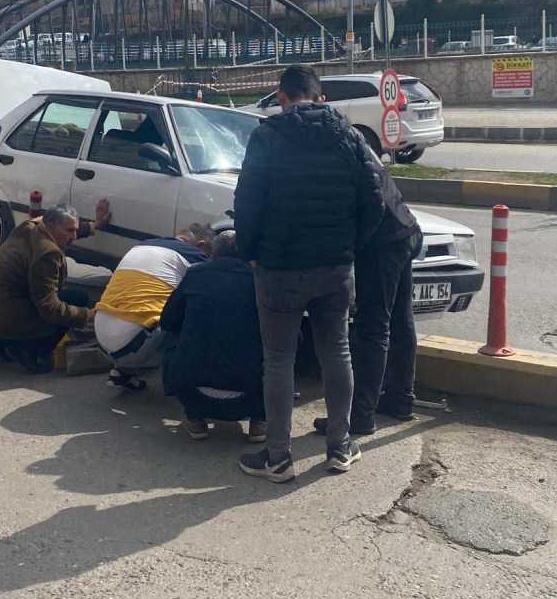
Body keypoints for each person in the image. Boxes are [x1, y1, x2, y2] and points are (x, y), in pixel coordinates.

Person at [233, 63, 383, 482]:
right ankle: (340, 446)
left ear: (281, 96)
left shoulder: (267, 136)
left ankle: (278, 457)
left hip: (279, 267)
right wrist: (350, 246)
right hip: (335, 266)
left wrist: (250, 251)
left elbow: (247, 200)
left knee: (279, 360)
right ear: (321, 98)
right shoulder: (349, 136)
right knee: (337, 352)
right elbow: (374, 200)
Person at [314, 160, 423, 437]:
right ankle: (400, 398)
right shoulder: (354, 144)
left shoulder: (330, 152)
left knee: (372, 327)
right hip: (405, 227)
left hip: (382, 241)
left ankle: (360, 416)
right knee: (399, 320)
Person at [0, 201, 110, 373]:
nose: (74, 236)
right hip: (10, 319)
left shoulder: (31, 227)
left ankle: (0, 342)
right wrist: (87, 315)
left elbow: (66, 227)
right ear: (51, 227)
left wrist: (93, 226)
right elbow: (49, 307)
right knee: (76, 299)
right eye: (70, 231)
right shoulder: (47, 253)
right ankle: (30, 351)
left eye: (75, 230)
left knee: (57, 298)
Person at [159, 230, 265, 443]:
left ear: (212, 253)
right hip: (250, 395)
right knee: (281, 349)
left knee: (173, 334)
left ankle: (195, 419)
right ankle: (260, 421)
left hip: (193, 392)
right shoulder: (260, 280)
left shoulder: (195, 274)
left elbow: (167, 321)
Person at [94, 224, 215, 392]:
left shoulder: (142, 245)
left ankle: (123, 372)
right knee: (197, 311)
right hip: (134, 345)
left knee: (147, 304)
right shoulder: (194, 255)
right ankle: (185, 382)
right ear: (200, 245)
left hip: (100, 337)